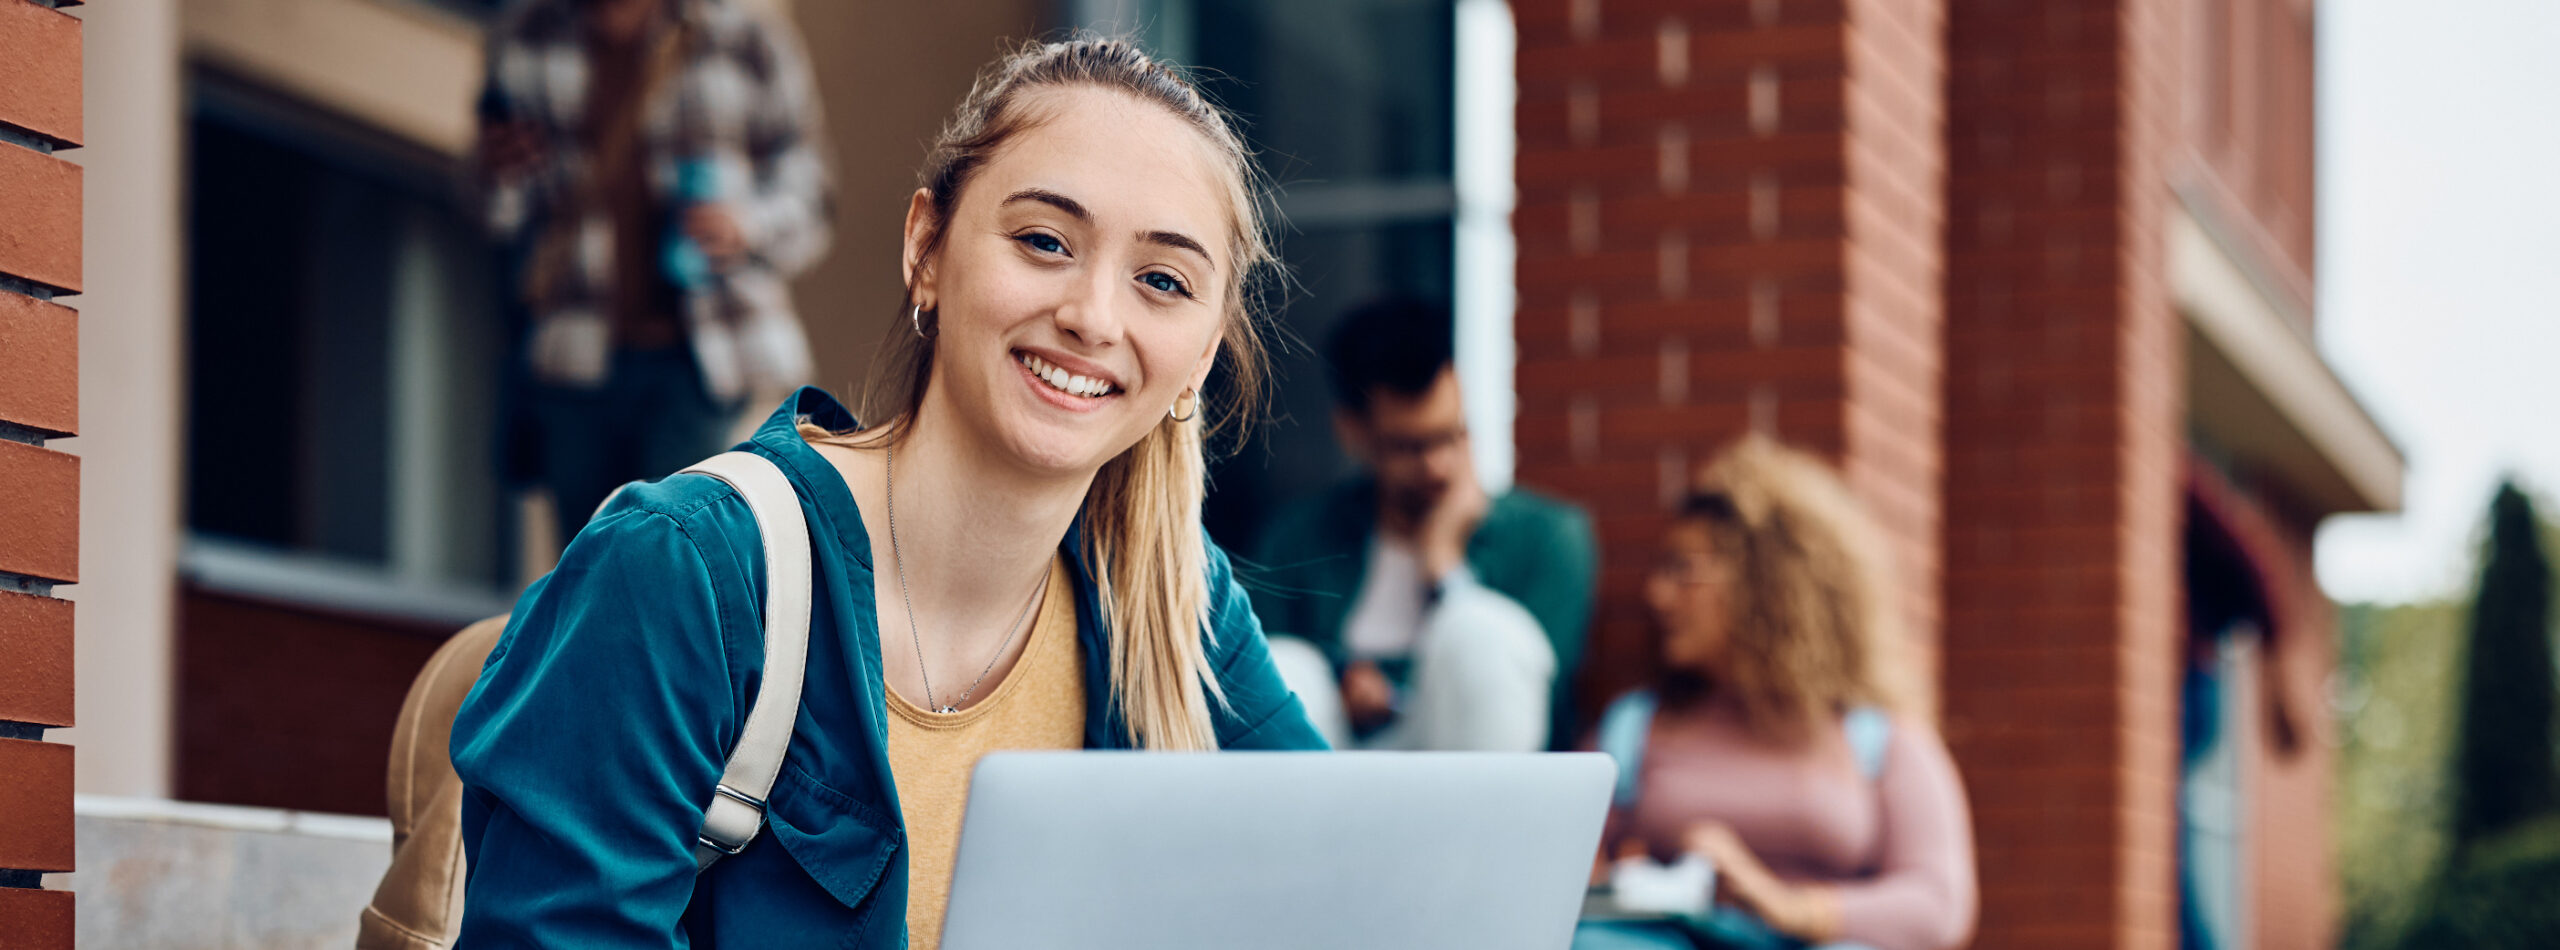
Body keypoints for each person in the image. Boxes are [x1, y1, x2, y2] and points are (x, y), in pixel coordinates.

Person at [449, 38, 1325, 950]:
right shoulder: (682, 574)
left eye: (1162, 281)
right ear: (927, 251)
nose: (1094, 317)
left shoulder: (1174, 607)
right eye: (1043, 241)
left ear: (1206, 352)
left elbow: (1357, 887)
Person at [1575, 437, 1976, 950]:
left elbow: (1938, 904)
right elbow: (1563, 863)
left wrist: (1789, 907)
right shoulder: (1631, 728)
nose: (1658, 594)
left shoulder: (1877, 739)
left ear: (1765, 581)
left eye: (1684, 569)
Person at [474, 0, 834, 546]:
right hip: (571, 364)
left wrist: (747, 226)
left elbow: (811, 190)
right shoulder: (523, 38)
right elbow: (498, 213)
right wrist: (496, 173)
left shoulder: (745, 36)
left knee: (687, 560)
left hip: (707, 361)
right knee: (590, 568)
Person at [1252, 297, 1597, 751]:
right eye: (1410, 447)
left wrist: (1447, 568)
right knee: (1287, 665)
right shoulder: (1302, 537)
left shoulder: (1547, 537)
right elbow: (1250, 677)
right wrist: (1341, 676)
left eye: (1451, 435)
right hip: (1339, 763)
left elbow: (1537, 701)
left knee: (1483, 632)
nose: (1438, 466)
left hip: (1469, 773)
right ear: (1353, 432)